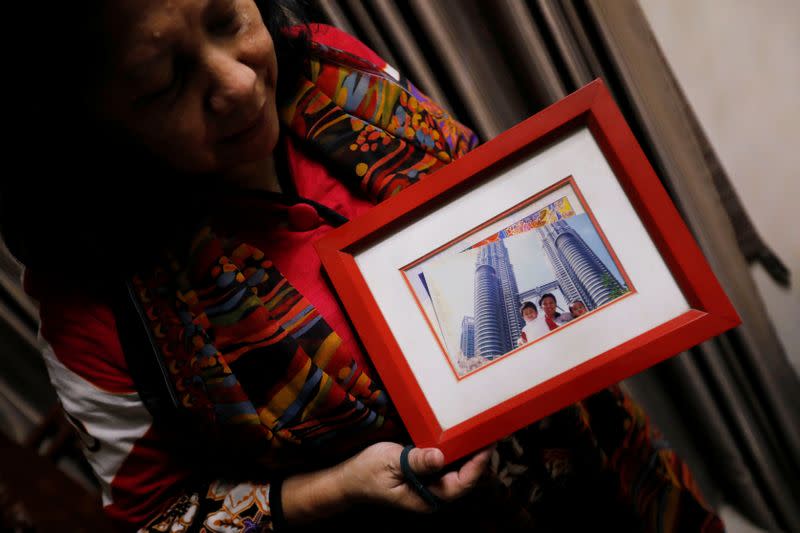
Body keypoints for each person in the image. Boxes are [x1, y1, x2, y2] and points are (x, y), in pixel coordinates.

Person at [1, 1, 723, 531]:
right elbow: (159, 519)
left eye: (229, 20)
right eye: (163, 84)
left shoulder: (334, 67)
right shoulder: (95, 302)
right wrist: (335, 489)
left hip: (608, 466)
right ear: (88, 126)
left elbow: (482, 211)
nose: (241, 84)